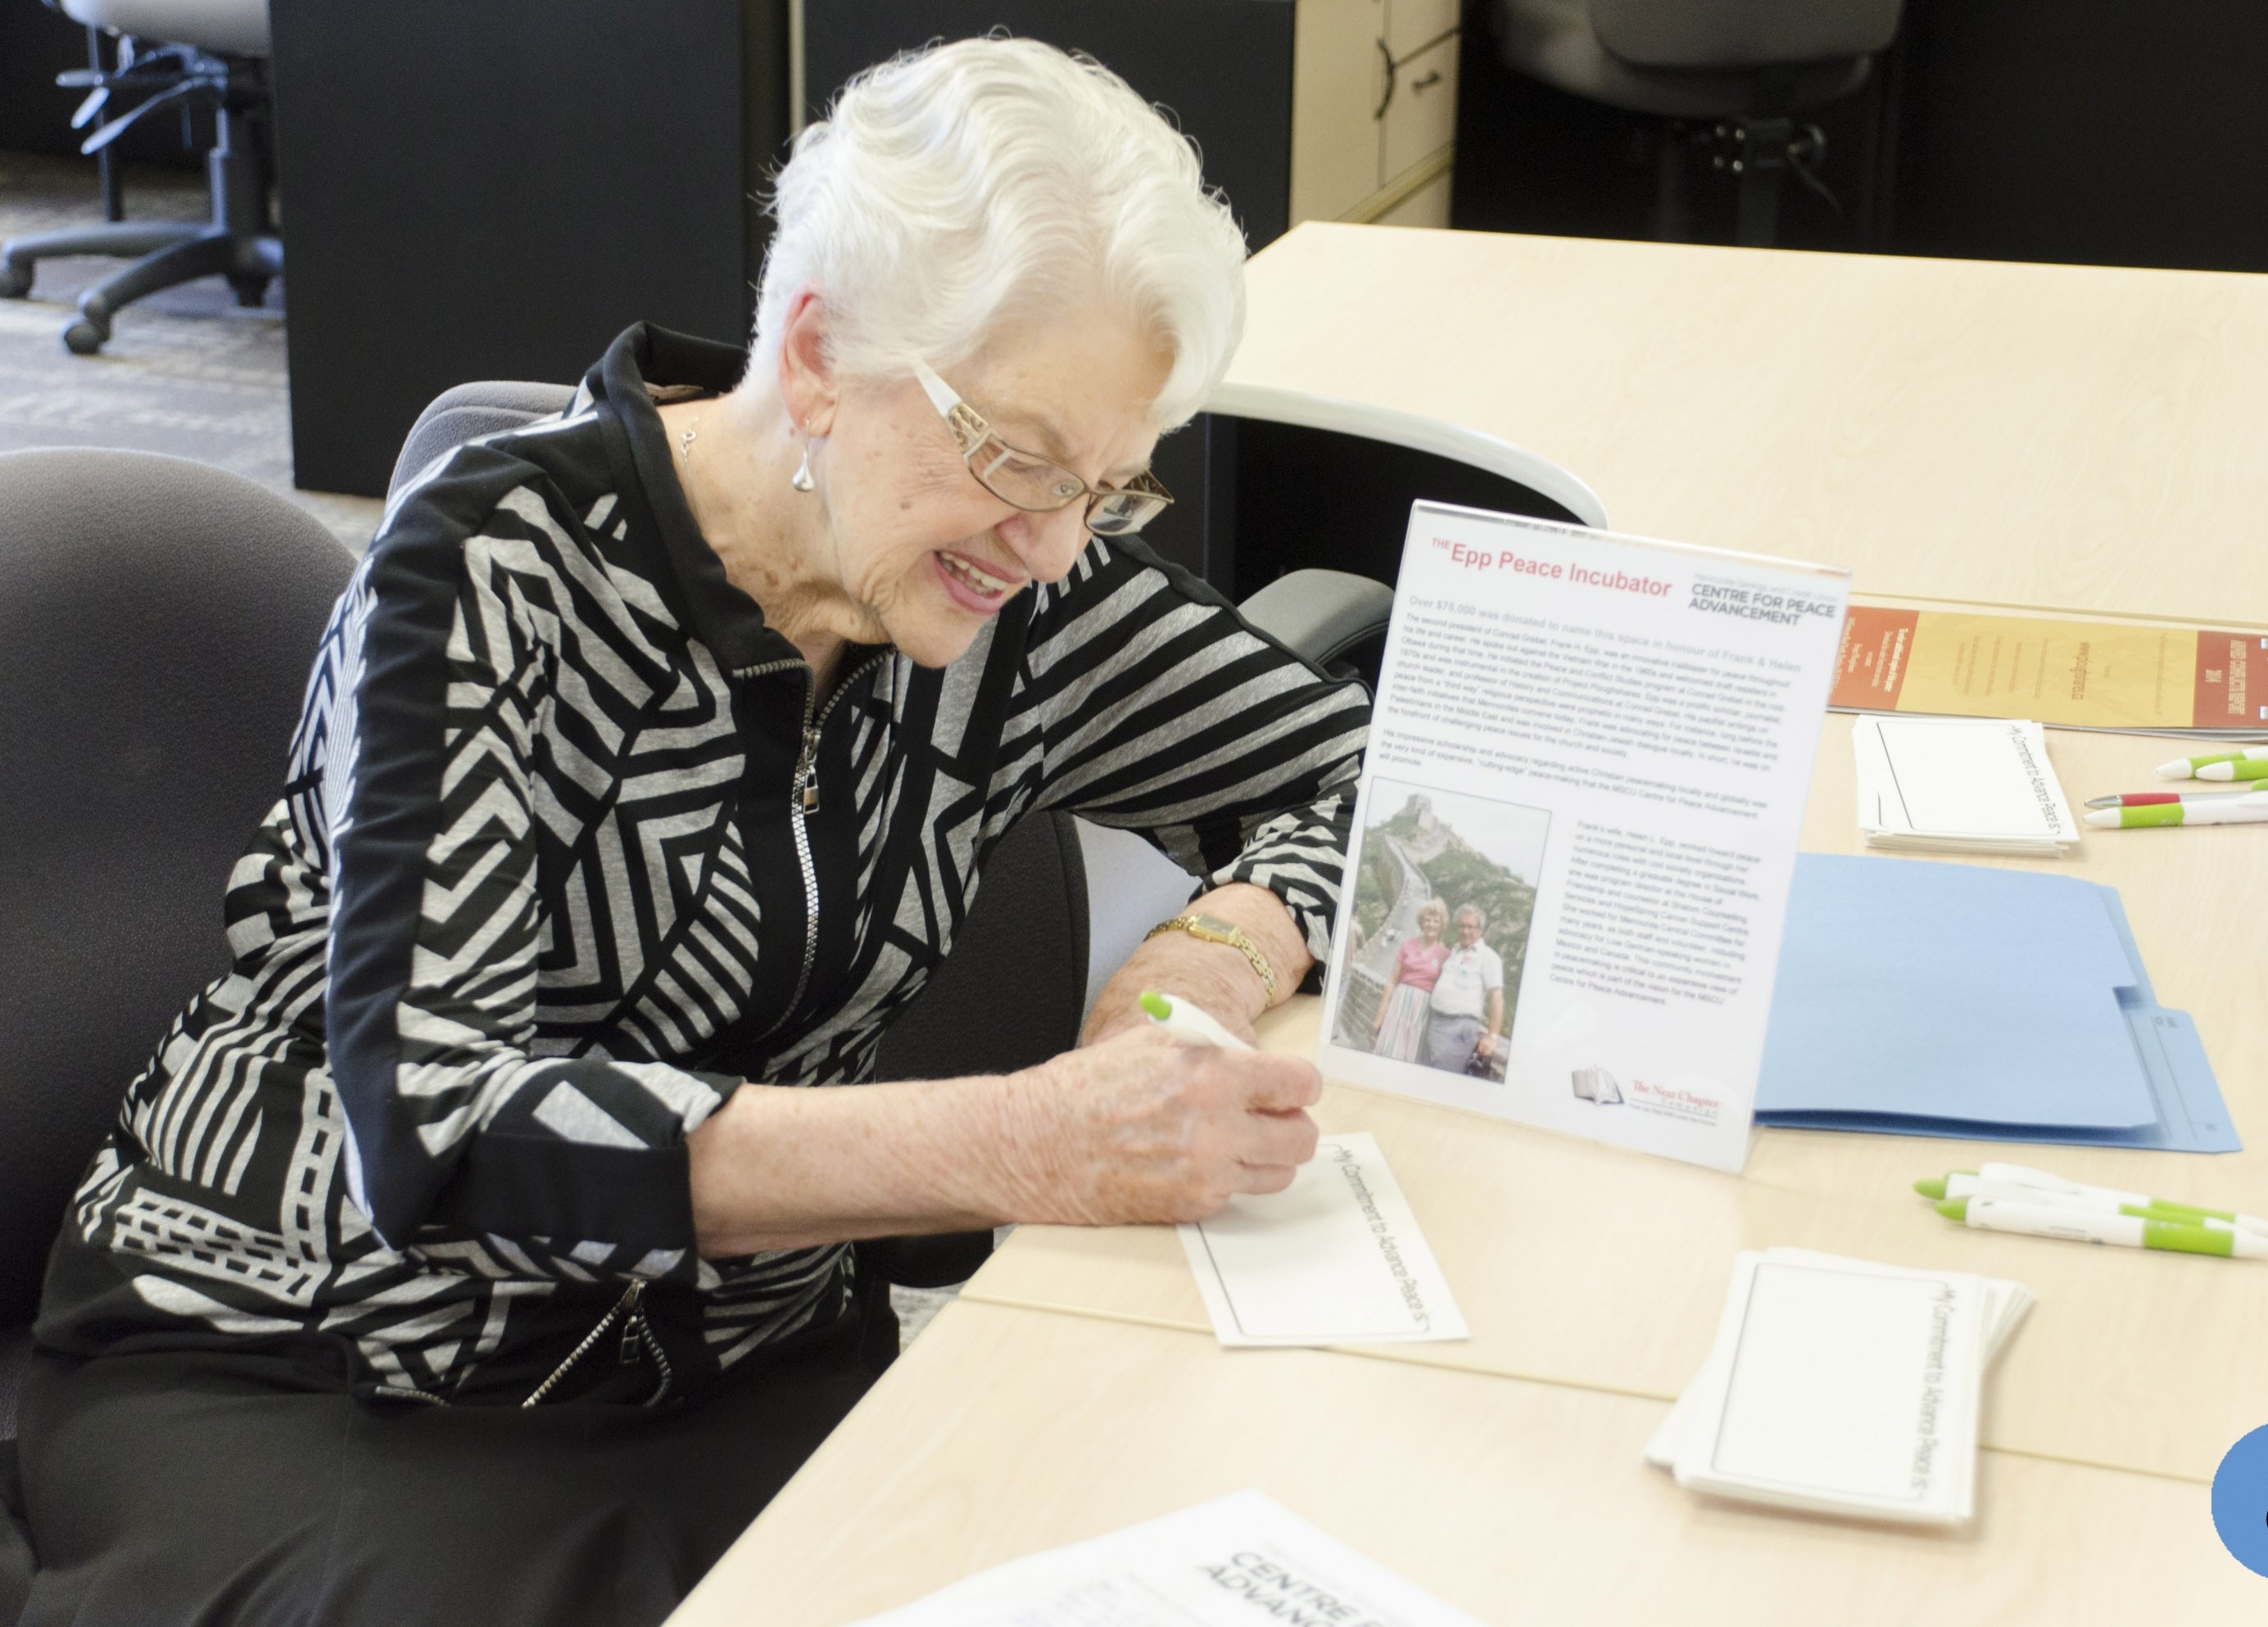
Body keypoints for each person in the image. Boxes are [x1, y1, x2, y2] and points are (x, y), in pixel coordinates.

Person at [7, 39, 1368, 1627]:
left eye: (1111, 486)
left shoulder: (1027, 590)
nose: (1059, 543)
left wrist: (1218, 944)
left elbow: (1393, 780)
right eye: (1014, 457)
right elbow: (436, 1132)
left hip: (738, 1370)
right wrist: (1027, 1139)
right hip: (330, 1364)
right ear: (815, 356)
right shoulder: (487, 569)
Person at [1424, 905, 1508, 1076]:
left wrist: (1492, 1036)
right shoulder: (1455, 951)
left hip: (1457, 1029)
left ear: (1480, 930)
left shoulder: (1488, 957)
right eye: (1461, 926)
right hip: (1438, 1024)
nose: (1465, 930)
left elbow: (1497, 998)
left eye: (1470, 926)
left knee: (1440, 1080)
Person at [1369, 900, 1449, 1061]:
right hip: (1399, 1004)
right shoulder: (1407, 945)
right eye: (1428, 920)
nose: (1431, 924)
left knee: (1410, 1056)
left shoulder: (1445, 954)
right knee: (1389, 1051)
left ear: (1441, 925)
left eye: (1436, 921)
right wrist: (1381, 1014)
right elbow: (1392, 981)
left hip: (1422, 1011)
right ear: (1421, 922)